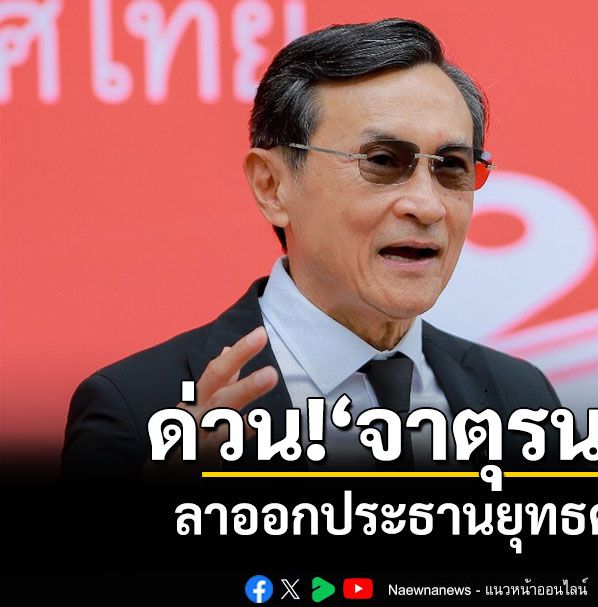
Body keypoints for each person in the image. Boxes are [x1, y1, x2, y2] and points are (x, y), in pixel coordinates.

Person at [60, 18, 570, 480]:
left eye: (452, 166)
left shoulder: (521, 399)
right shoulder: (138, 408)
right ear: (272, 186)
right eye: (382, 160)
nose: (427, 205)